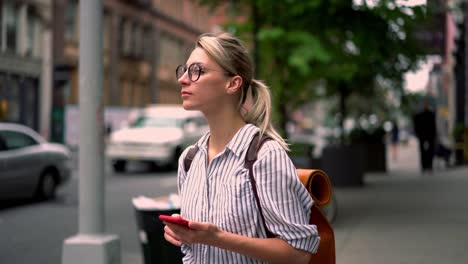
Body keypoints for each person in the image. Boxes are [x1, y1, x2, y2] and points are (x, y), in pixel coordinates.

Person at [162, 32, 320, 263]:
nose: (183, 79)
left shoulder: (264, 156)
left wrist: (218, 238)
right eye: (184, 70)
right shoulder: (189, 158)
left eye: (197, 71)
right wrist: (184, 235)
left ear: (232, 83)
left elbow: (299, 254)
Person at [412, 99, 436, 173]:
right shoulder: (421, 115)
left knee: (429, 151)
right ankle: (424, 166)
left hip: (428, 135)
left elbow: (433, 125)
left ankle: (429, 165)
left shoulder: (430, 114)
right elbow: (416, 123)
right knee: (423, 151)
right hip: (423, 135)